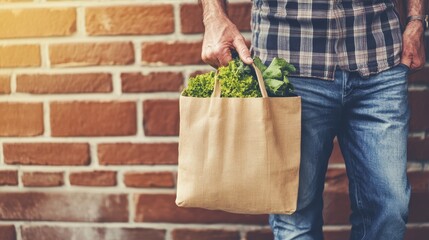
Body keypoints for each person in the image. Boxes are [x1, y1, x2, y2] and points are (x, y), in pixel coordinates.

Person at [200, 0, 426, 239]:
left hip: (380, 58)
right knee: (295, 221)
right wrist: (213, 17)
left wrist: (416, 20)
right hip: (289, 68)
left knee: (389, 209)